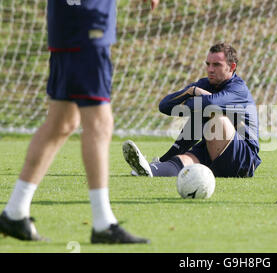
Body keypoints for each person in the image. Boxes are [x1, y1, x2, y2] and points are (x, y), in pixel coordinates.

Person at [0, 0, 160, 243]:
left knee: (61, 122)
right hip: (87, 22)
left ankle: (15, 213)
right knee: (99, 122)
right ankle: (103, 224)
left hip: (69, 23)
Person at [122, 43, 262, 179]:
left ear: (232, 67)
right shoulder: (204, 84)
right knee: (182, 162)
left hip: (244, 159)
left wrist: (192, 101)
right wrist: (191, 91)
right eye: (208, 64)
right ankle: (151, 168)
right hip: (214, 148)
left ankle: (165, 159)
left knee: (214, 114)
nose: (210, 69)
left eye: (217, 65)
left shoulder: (238, 89)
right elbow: (164, 106)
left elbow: (211, 103)